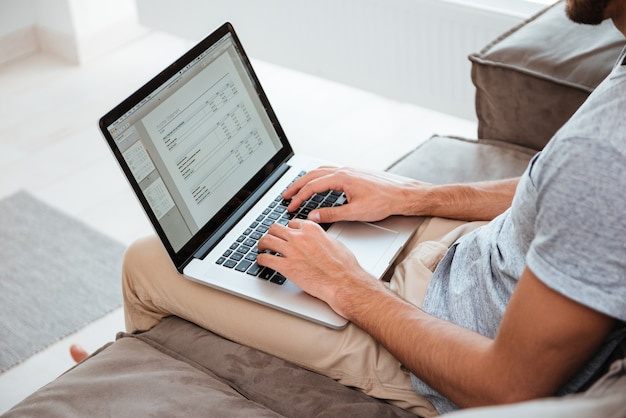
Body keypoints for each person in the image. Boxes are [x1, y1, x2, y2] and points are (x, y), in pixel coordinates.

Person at [121, 0, 626, 415]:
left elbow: (507, 389)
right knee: (314, 201)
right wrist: (416, 196)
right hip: (476, 259)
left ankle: (133, 382)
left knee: (146, 262)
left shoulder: (604, 152)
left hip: (447, 335)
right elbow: (557, 188)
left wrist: (345, 283)